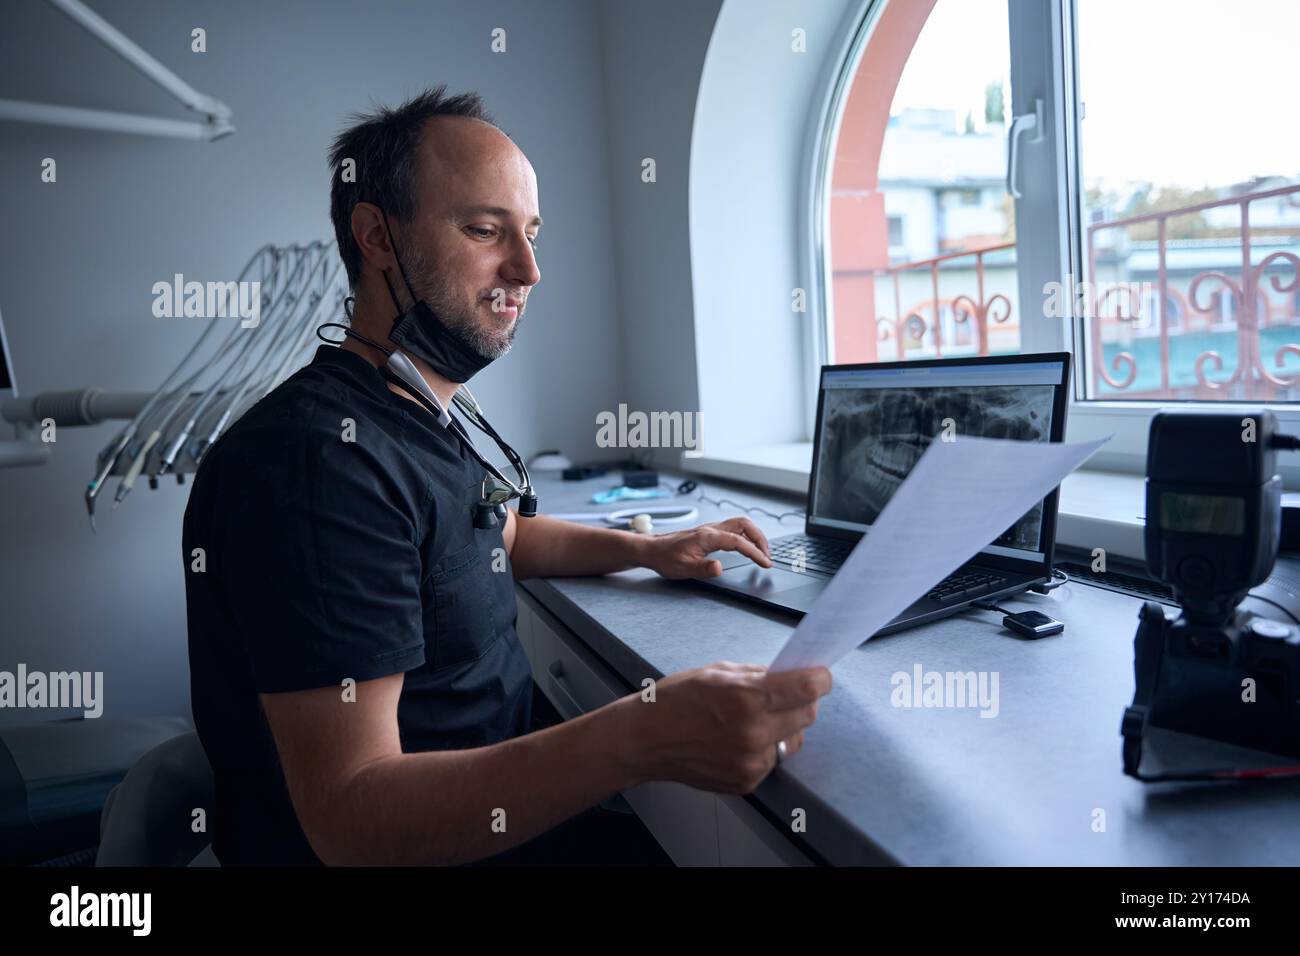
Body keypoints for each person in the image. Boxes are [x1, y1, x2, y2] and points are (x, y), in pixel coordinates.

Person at [182, 85, 831, 866]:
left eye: (530, 233)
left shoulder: (416, 410)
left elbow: (492, 535)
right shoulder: (320, 463)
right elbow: (351, 820)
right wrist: (642, 731)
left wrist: (648, 547)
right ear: (376, 236)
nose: (528, 268)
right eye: (485, 229)